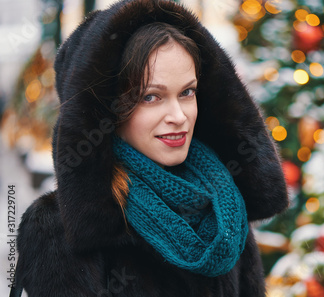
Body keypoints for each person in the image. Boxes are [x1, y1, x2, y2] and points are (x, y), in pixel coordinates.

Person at [13, 0, 288, 296]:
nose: (179, 116)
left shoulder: (223, 207)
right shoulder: (55, 229)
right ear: (107, 111)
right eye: (150, 97)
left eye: (187, 92)